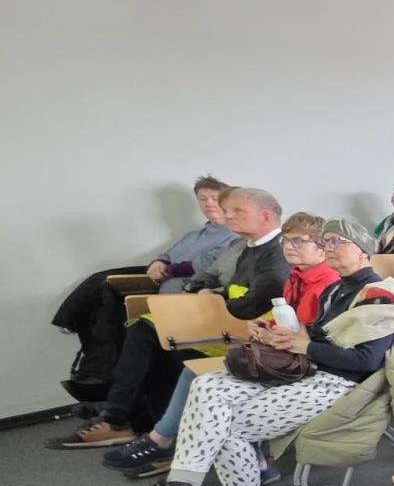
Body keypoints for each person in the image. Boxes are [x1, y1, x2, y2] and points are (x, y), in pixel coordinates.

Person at [105, 218, 394, 486]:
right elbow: (318, 335)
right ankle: (183, 485)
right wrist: (279, 334)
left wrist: (303, 346)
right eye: (325, 242)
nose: (328, 248)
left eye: (337, 242)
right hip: (312, 372)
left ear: (363, 250)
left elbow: (365, 360)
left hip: (340, 385)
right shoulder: (337, 289)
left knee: (228, 427)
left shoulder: (379, 294)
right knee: (208, 385)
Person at [99, 211, 337, 479]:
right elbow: (288, 320)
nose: (289, 247)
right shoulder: (296, 275)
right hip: (285, 352)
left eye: (299, 241)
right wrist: (266, 326)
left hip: (308, 366)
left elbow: (312, 335)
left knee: (211, 385)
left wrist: (276, 335)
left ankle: (166, 446)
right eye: (287, 240)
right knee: (193, 371)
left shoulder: (327, 282)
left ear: (322, 248)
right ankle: (179, 448)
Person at [49, 188, 290, 450]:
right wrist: (206, 292)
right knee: (143, 328)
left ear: (266, 216)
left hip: (245, 333)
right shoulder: (247, 246)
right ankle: (139, 425)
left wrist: (208, 299)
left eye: (237, 211)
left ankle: (125, 422)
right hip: (223, 318)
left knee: (151, 335)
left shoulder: (276, 254)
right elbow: (225, 285)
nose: (228, 215)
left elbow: (250, 306)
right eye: (228, 210)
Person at [53, 175, 239, 397]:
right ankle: (96, 370)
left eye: (214, 198)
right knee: (105, 292)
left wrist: (168, 269)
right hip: (163, 278)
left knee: (106, 288)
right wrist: (158, 262)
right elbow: (167, 254)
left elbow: (208, 264)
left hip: (184, 286)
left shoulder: (234, 235)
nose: (208, 203)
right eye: (203, 198)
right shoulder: (194, 235)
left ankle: (89, 356)